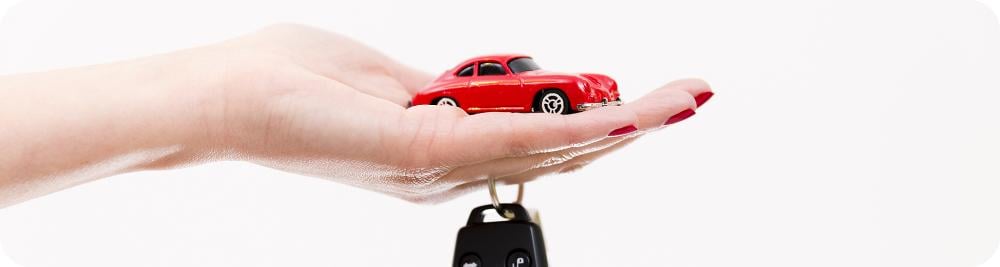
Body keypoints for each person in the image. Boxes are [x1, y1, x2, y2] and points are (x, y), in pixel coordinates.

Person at [0, 24, 713, 208]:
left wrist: (220, 93)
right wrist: (223, 98)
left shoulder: (548, 81)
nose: (528, 83)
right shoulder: (454, 88)